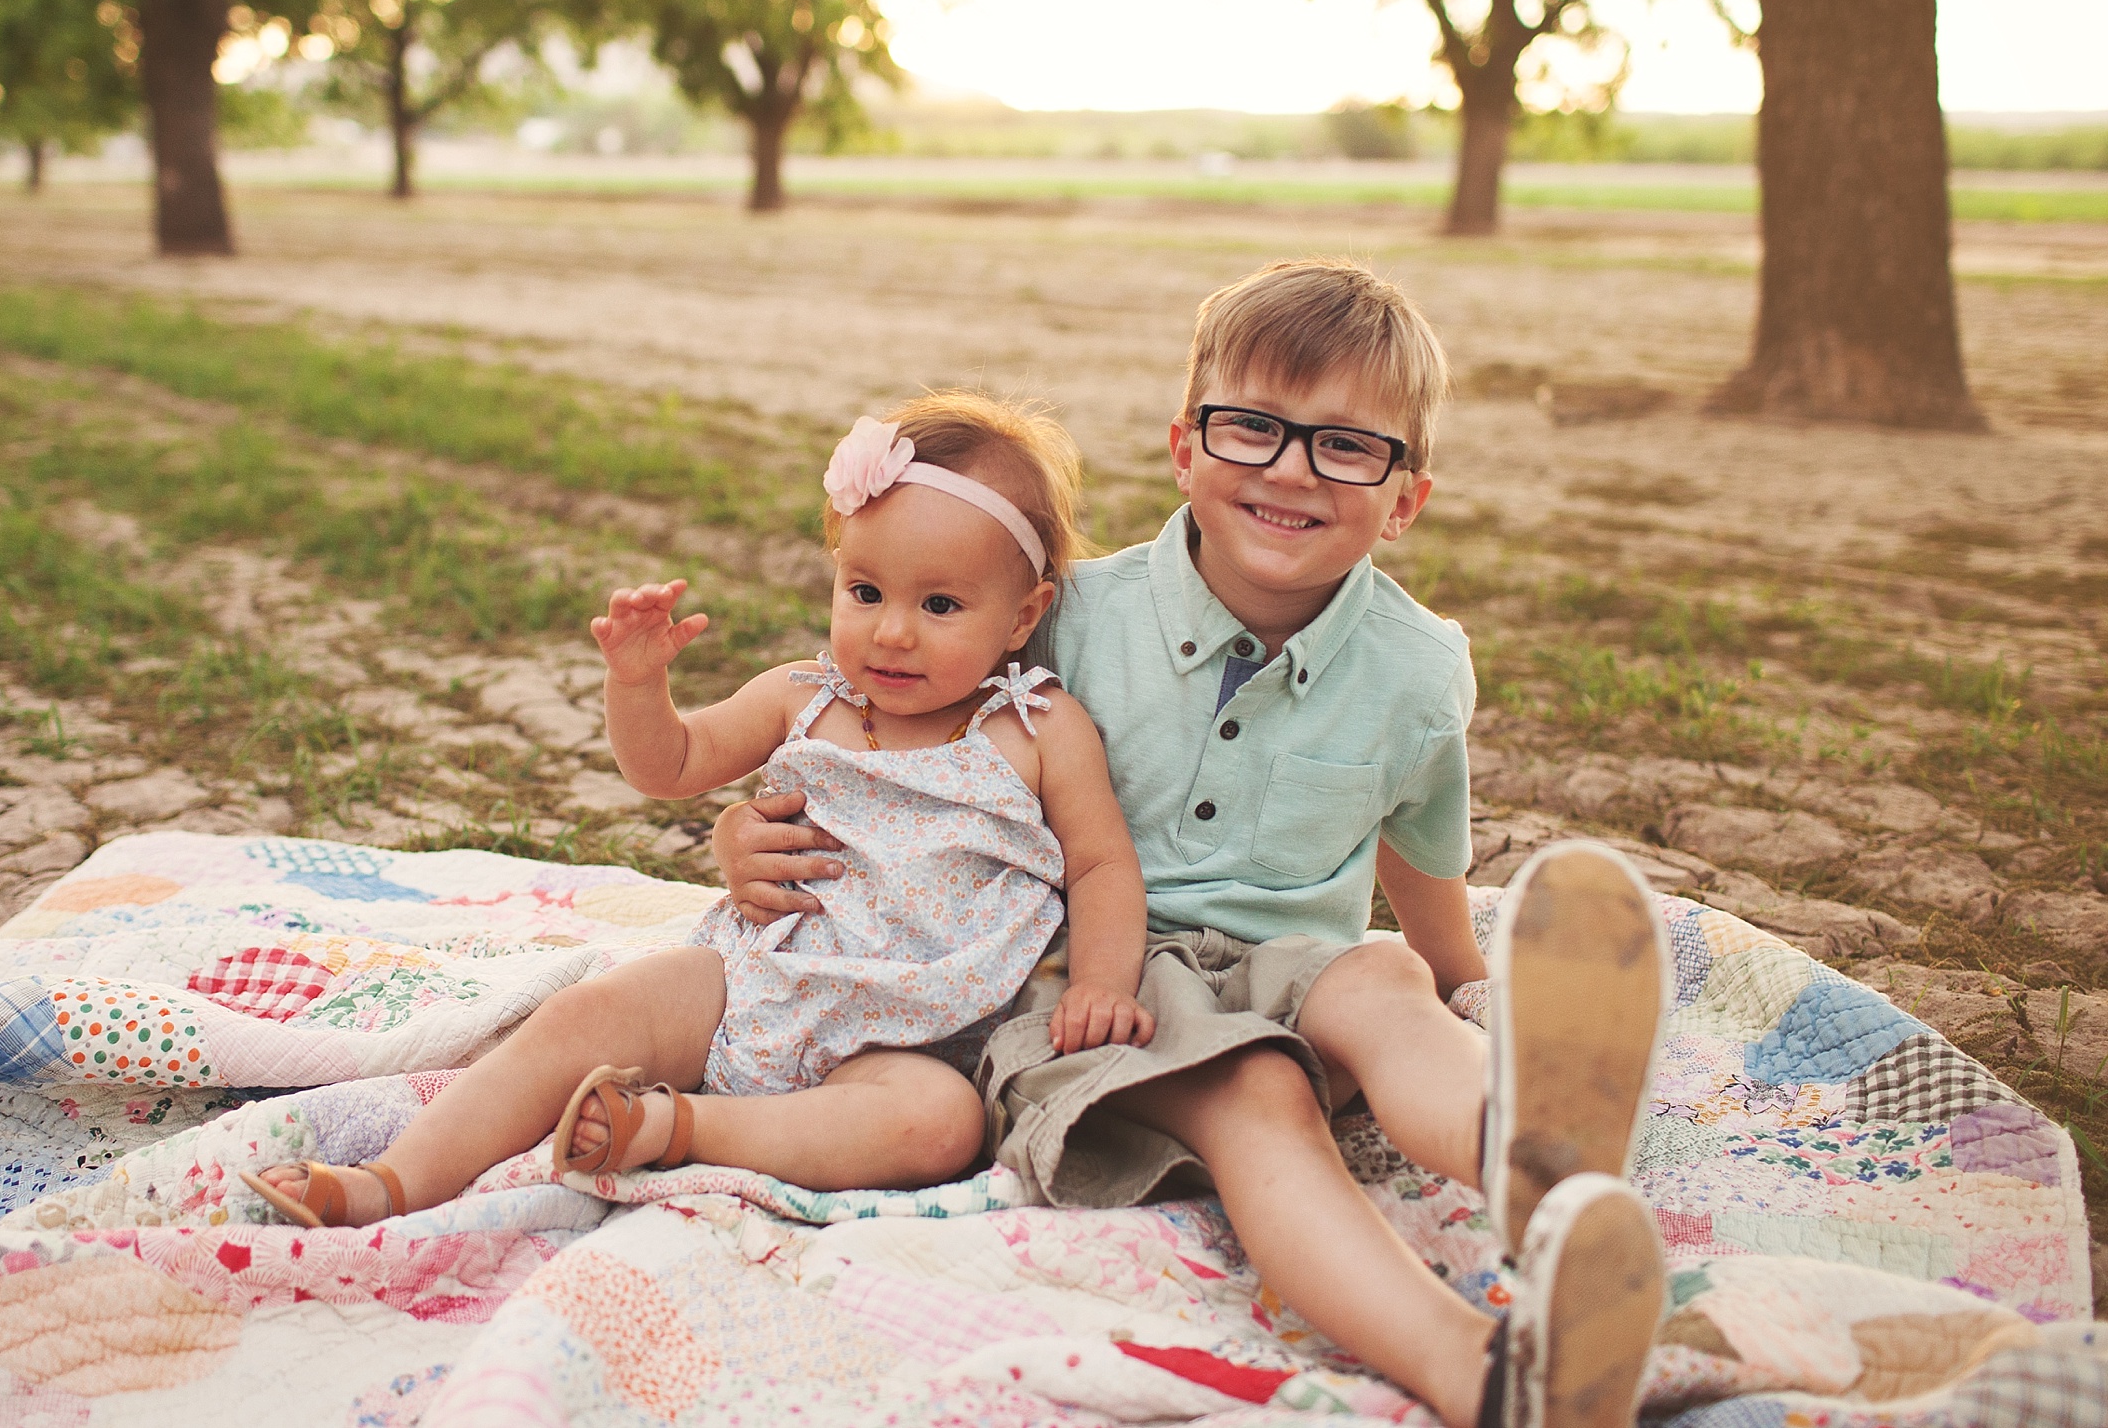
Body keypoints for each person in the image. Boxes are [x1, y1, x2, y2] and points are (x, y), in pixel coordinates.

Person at [715, 261, 1674, 1428]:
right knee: (1256, 1089)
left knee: (1386, 976)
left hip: (1298, 975)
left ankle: (1530, 1142)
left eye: (1346, 446)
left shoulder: (1422, 669)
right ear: (1185, 447)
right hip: (1096, 998)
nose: (1290, 469)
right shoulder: (1068, 618)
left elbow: (1420, 843)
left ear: (1407, 496)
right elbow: (892, 736)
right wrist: (746, 830)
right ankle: (1481, 1372)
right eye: (1253, 428)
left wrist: (1464, 977)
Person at [246, 390, 1157, 1229]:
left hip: (907, 1036)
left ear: (1020, 615)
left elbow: (1100, 865)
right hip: (743, 980)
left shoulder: (1037, 728)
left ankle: (675, 1128)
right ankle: (388, 1183)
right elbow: (670, 765)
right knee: (582, 1018)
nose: (890, 631)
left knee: (937, 1129)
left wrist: (1101, 985)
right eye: (865, 591)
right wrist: (639, 685)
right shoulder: (802, 694)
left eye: (941, 604)